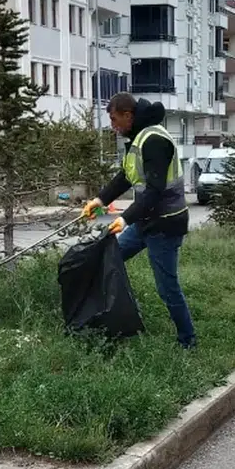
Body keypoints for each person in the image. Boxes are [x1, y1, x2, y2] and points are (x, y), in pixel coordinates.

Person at [83, 93, 196, 349]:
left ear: (128, 115)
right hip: (145, 222)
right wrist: (99, 201)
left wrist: (124, 219)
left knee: (167, 287)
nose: (113, 126)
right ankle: (118, 318)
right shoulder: (138, 138)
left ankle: (187, 341)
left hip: (165, 224)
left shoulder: (154, 140)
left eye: (114, 119)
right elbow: (125, 177)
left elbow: (154, 191)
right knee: (110, 258)